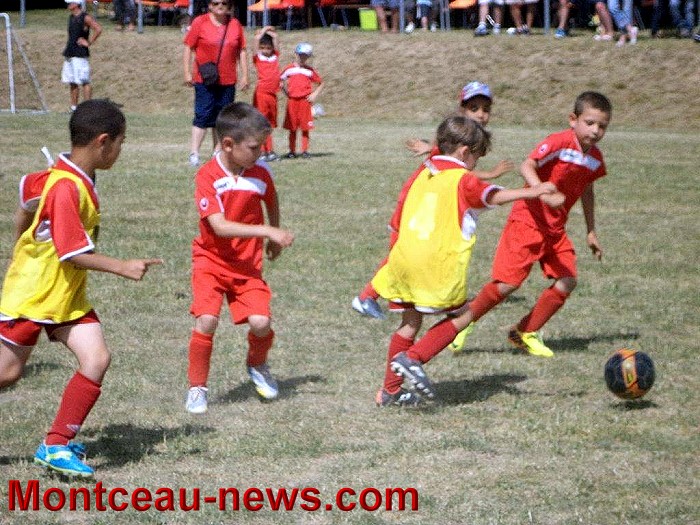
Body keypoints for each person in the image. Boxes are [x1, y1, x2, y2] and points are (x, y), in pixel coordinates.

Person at [0, 100, 163, 478]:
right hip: (33, 296)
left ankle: (56, 445)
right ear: (103, 142)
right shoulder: (66, 187)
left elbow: (26, 197)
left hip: (65, 296)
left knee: (96, 358)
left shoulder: (62, 174)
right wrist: (122, 266)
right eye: (121, 143)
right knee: (7, 373)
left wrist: (21, 239)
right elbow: (71, 252)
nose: (121, 150)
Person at [372, 116, 555, 406]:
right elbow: (493, 196)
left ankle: (389, 392)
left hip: (402, 258)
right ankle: (414, 358)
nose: (475, 165)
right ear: (464, 152)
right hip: (435, 264)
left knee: (410, 322)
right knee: (463, 316)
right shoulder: (463, 180)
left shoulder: (427, 168)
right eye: (476, 158)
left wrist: (431, 148)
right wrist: (532, 191)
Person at [435, 92, 612, 361]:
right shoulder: (559, 142)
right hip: (528, 221)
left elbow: (587, 190)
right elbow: (528, 164)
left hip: (555, 229)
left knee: (567, 280)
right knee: (507, 284)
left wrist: (591, 231)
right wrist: (541, 191)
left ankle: (526, 331)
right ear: (573, 120)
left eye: (602, 126)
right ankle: (463, 321)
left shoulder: (595, 158)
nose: (595, 131)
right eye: (590, 123)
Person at [353, 82, 514, 320]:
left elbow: (460, 177)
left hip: (431, 205)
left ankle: (387, 297)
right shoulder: (454, 138)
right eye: (474, 108)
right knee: (403, 250)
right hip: (419, 204)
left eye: (485, 109)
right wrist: (431, 148)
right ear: (462, 110)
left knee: (412, 250)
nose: (481, 114)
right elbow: (454, 171)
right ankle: (368, 297)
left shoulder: (464, 139)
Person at [185, 102, 295, 415]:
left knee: (261, 323)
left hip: (247, 266)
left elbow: (271, 200)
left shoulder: (261, 173)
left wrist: (273, 233)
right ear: (228, 145)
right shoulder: (208, 176)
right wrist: (267, 231)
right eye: (255, 147)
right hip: (210, 262)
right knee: (207, 320)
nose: (261, 152)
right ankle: (197, 387)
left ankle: (257, 364)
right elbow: (219, 226)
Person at [183, 0, 249, 167]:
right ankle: (194, 153)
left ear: (229, 6)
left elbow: (241, 50)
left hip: (228, 79)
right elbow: (188, 47)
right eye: (216, 3)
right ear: (210, 6)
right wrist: (187, 72)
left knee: (222, 117)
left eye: (224, 3)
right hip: (205, 78)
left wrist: (245, 75)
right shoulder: (200, 22)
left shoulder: (235, 24)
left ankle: (217, 152)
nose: (220, 6)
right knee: (202, 115)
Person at [280, 43, 324, 160]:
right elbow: (280, 81)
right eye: (301, 55)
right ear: (296, 54)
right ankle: (292, 151)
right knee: (292, 128)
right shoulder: (289, 69)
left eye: (306, 56)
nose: (303, 58)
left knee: (305, 128)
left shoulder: (309, 71)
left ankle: (305, 151)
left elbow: (321, 83)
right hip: (292, 102)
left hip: (305, 102)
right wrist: (286, 93)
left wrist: (314, 94)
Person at [61, 0, 102, 112]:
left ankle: (87, 108)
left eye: (70, 3)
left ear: (76, 4)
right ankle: (74, 107)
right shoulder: (71, 17)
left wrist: (89, 42)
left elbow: (98, 29)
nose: (68, 5)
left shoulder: (85, 17)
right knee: (72, 81)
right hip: (70, 52)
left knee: (84, 81)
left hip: (80, 54)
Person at [252, 26, 281, 162]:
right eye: (262, 48)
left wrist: (270, 30)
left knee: (269, 124)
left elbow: (275, 38)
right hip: (262, 93)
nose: (265, 50)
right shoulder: (258, 58)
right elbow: (256, 39)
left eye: (268, 48)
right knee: (261, 123)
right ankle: (262, 150)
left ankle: (270, 150)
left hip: (272, 94)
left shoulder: (274, 57)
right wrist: (264, 30)